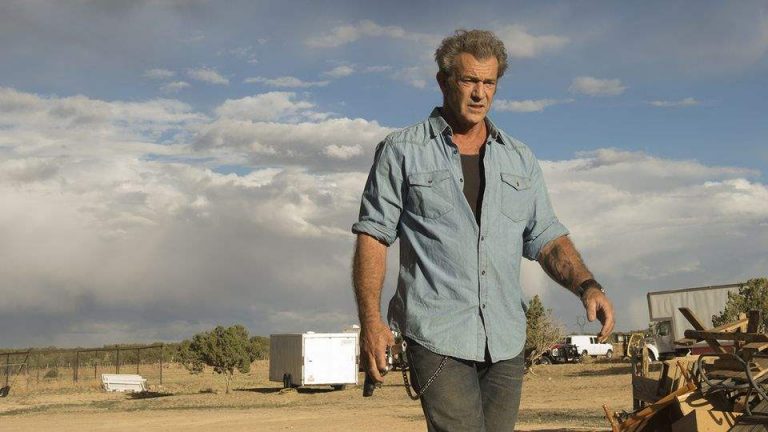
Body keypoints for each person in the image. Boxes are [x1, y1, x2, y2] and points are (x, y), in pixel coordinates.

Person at [351, 29, 615, 431]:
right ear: (443, 82)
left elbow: (546, 237)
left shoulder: (519, 158)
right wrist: (371, 320)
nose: (479, 93)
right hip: (437, 335)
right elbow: (373, 235)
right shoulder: (402, 151)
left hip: (505, 339)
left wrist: (588, 286)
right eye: (469, 80)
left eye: (489, 82)